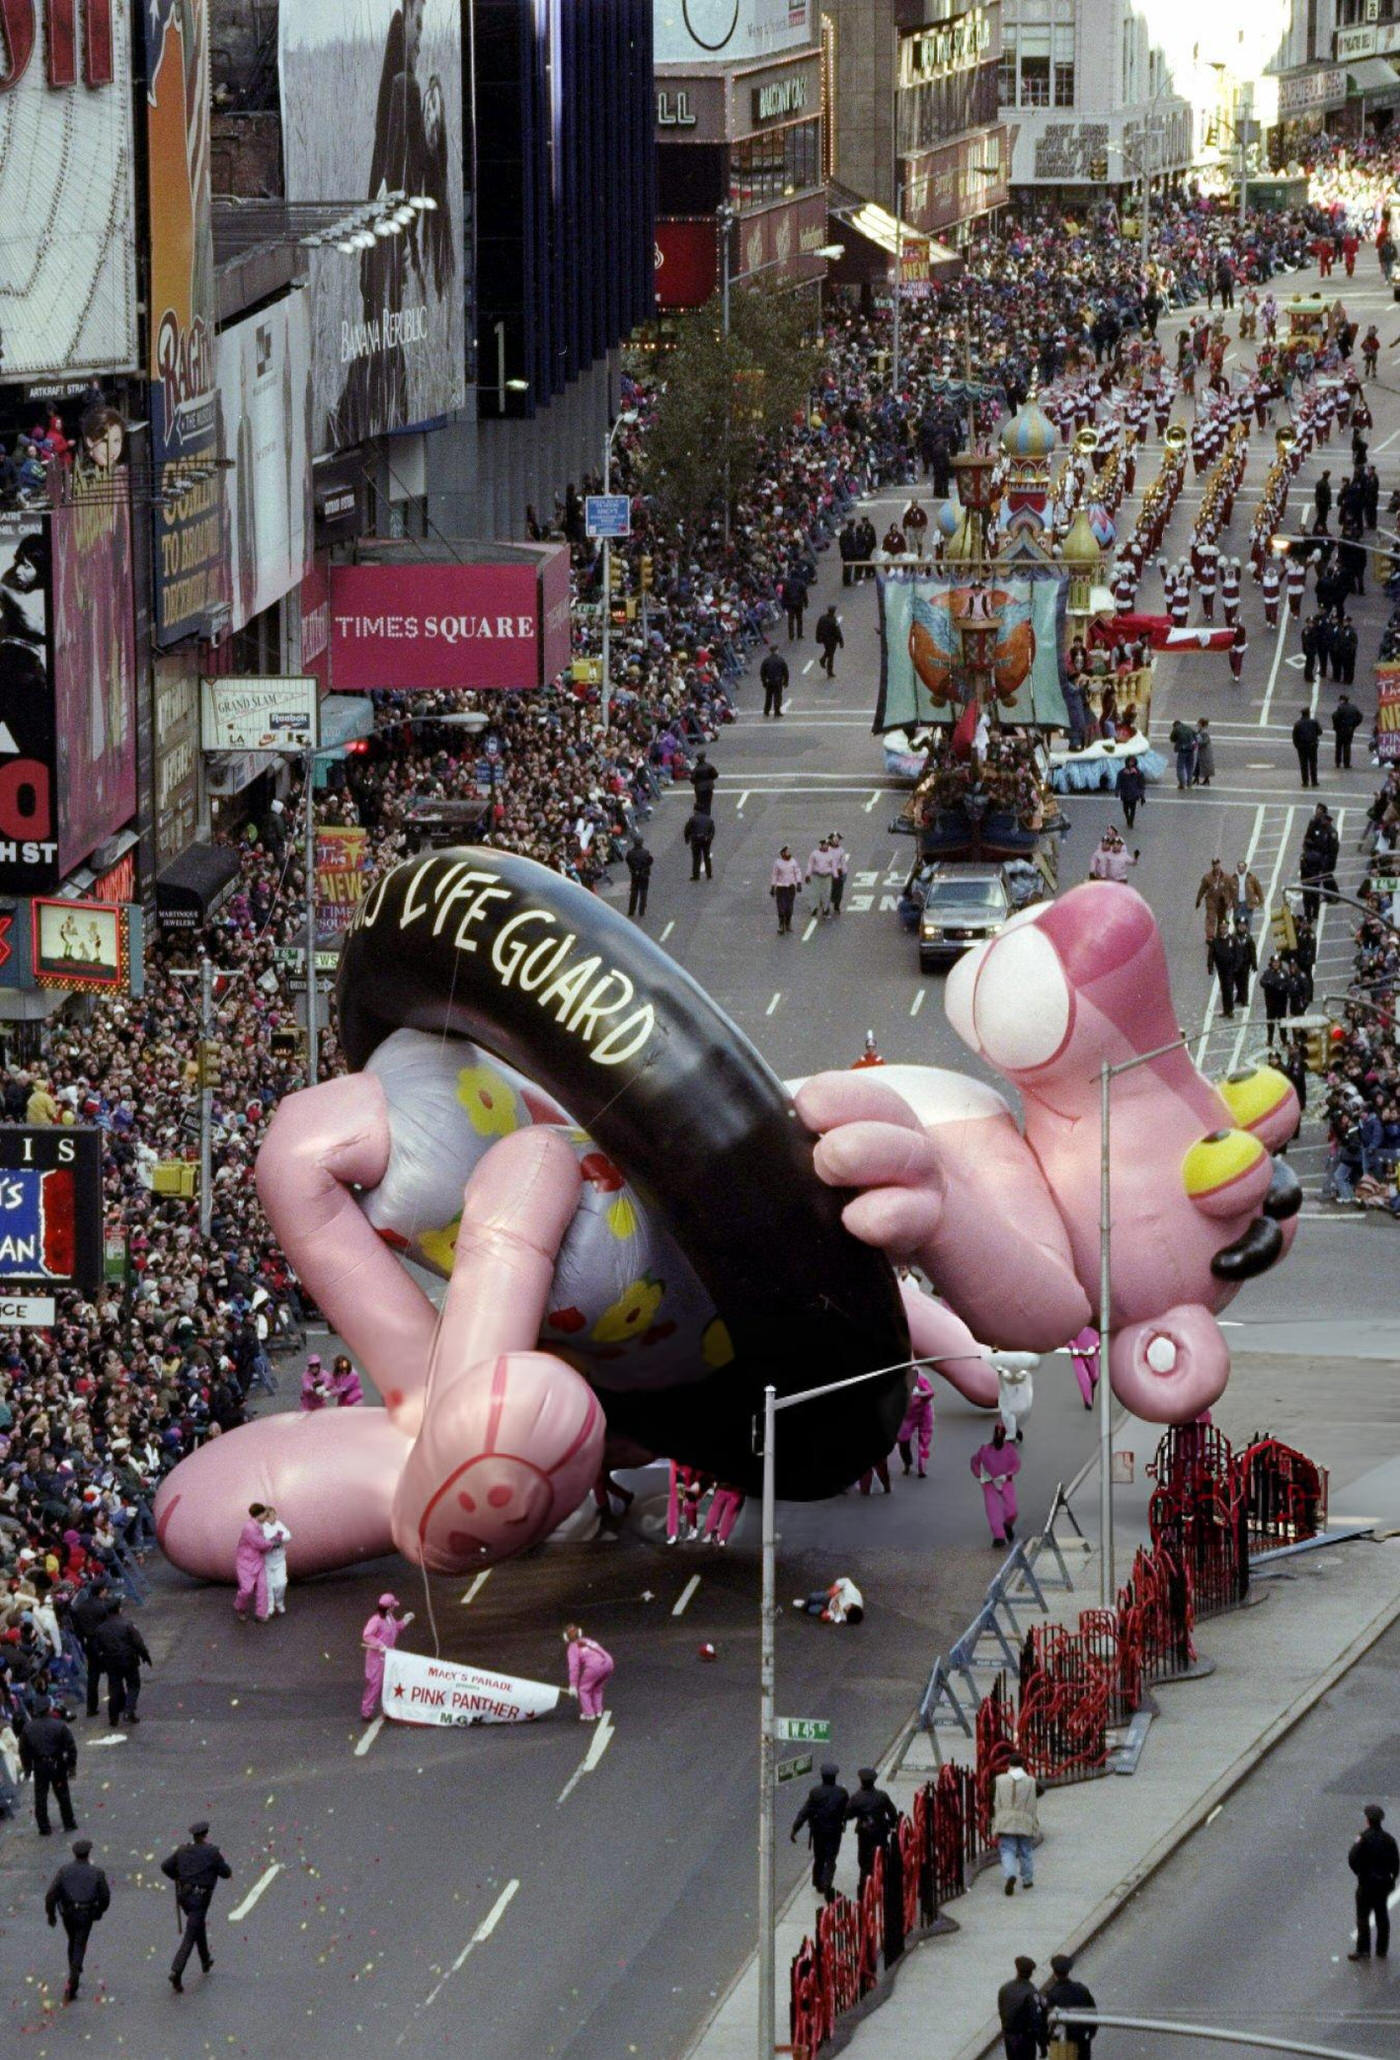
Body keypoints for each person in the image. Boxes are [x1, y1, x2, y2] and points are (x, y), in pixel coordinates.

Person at [162, 1821, 232, 1992]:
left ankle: (205, 1960)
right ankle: (176, 1970)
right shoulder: (212, 1852)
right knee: (190, 1934)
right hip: (200, 1898)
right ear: (206, 1834)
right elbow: (226, 1873)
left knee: (197, 1924)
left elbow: (166, 1866)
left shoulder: (182, 1851)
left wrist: (177, 1877)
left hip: (185, 1898)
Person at [45, 1836, 110, 2002]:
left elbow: (51, 1894)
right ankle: (74, 1975)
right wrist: (98, 1911)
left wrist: (51, 1914)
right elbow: (105, 1897)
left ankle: (74, 1968)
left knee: (72, 1939)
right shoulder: (97, 1872)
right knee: (79, 1942)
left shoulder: (64, 1871)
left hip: (68, 1913)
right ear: (88, 1854)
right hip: (86, 1913)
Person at [19, 1694, 78, 1835]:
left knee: (40, 1797)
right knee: (63, 1794)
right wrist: (71, 1766)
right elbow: (71, 1747)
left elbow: (23, 1751)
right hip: (57, 1764)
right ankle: (69, 1822)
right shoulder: (59, 1725)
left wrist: (28, 1769)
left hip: (40, 1766)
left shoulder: (28, 1728)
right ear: (49, 1709)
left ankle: (44, 1827)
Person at [791, 1762, 848, 1903]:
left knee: (819, 1857)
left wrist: (795, 1829)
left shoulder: (815, 1793)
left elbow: (804, 1812)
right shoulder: (842, 1793)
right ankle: (827, 1881)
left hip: (818, 1831)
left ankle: (818, 1883)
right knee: (831, 1859)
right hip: (834, 1831)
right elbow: (848, 1811)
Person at [89, 1596, 152, 1726]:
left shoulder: (100, 1629)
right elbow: (138, 1643)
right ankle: (129, 1710)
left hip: (111, 1663)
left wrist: (103, 1661)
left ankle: (113, 1718)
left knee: (114, 1689)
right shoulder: (127, 1625)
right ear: (119, 1609)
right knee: (133, 1685)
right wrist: (145, 1656)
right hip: (129, 1660)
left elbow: (97, 1648)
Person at [1347, 1802, 1399, 1959]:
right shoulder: (1389, 1839)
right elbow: (1396, 1862)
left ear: (1368, 1820)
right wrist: (1392, 1879)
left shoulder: (1363, 1838)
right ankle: (1381, 1949)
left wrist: (1360, 1873)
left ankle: (1363, 1949)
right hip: (1383, 1883)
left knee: (1363, 1916)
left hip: (1367, 1883)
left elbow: (1352, 1858)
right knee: (1381, 1915)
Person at [992, 1754, 1042, 1893]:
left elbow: (991, 1795)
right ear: (1023, 1766)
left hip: (1005, 1820)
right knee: (1025, 1851)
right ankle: (1027, 1880)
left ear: (1009, 1765)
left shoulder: (999, 1780)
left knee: (1007, 1850)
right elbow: (1040, 1791)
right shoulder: (1031, 1781)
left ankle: (1010, 1874)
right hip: (1024, 1821)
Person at [361, 1593, 414, 1721]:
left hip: (390, 1655)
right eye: (393, 1606)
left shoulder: (390, 1618)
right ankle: (366, 1711)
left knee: (389, 1683)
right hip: (377, 1658)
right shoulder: (376, 1620)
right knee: (375, 1684)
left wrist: (405, 1621)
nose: (394, 1608)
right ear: (389, 1607)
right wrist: (380, 1645)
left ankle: (388, 1709)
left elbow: (395, 1629)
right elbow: (367, 1635)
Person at [846, 1767, 899, 1885]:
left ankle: (864, 1888)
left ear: (861, 1781)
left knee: (864, 1861)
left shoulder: (856, 1798)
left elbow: (848, 1815)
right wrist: (890, 1823)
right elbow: (893, 1814)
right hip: (880, 1831)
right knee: (882, 1855)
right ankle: (883, 1880)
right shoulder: (882, 1796)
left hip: (864, 1833)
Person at [970, 1422, 1021, 1547]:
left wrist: (1008, 1474)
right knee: (993, 1509)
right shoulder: (985, 1449)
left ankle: (1007, 1525)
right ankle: (999, 1536)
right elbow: (974, 1462)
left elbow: (1016, 1464)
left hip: (1004, 1481)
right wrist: (980, 1475)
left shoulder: (1009, 1449)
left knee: (1012, 1510)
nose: (998, 1438)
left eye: (1000, 1435)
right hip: (990, 1483)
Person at [1042, 1952, 1097, 2057]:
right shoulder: (1082, 1989)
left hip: (1063, 2044)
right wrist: (1089, 2034)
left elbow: (1047, 2022)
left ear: (1054, 1972)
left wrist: (1048, 2040)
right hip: (1082, 2040)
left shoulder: (1052, 1994)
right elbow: (1093, 2013)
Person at [70, 1578, 110, 1721]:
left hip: (89, 1644)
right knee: (113, 1674)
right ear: (101, 1591)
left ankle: (91, 1708)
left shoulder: (81, 1608)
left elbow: (77, 1630)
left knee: (93, 1676)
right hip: (102, 1643)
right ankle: (117, 1703)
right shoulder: (103, 1606)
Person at [998, 1955, 1048, 2060]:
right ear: (1030, 1973)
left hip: (1009, 2037)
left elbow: (1002, 2012)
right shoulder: (1031, 1992)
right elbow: (1036, 2020)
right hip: (1026, 2038)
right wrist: (1042, 2044)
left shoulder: (1005, 1988)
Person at [563, 1623, 614, 1722]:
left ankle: (589, 1713)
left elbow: (574, 1668)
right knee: (597, 1687)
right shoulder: (588, 1640)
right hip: (608, 1661)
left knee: (583, 1689)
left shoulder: (572, 1648)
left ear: (566, 1638)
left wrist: (573, 1685)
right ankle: (598, 1710)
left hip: (595, 1666)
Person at [234, 1502, 275, 1623]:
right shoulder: (250, 1528)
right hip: (245, 1562)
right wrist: (272, 1543)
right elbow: (259, 1543)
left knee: (262, 1587)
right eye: (265, 1514)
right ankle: (240, 1607)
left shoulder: (258, 1525)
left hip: (258, 1560)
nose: (265, 1517)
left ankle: (261, 1613)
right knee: (247, 1589)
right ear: (259, 1514)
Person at [897, 1368, 934, 1477]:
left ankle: (922, 1467)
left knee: (924, 1440)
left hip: (924, 1413)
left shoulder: (921, 1379)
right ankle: (907, 1463)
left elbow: (931, 1392)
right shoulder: (898, 1383)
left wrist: (923, 1394)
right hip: (908, 1415)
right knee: (903, 1440)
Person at [794, 1576, 864, 1624]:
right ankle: (804, 1605)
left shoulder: (846, 1617)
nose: (844, 1609)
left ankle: (808, 1606)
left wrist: (828, 1616)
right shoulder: (852, 1594)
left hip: (829, 1608)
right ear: (853, 1604)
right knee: (813, 1597)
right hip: (832, 1596)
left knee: (811, 1610)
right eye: (847, 1608)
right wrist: (836, 1587)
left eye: (845, 1612)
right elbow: (846, 1581)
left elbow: (835, 1615)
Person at [261, 1506, 292, 1616]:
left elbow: (288, 1535)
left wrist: (279, 1539)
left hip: (279, 1560)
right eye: (272, 1515)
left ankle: (279, 1602)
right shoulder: (261, 1527)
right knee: (268, 1585)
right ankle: (270, 1606)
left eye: (275, 1514)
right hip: (267, 1562)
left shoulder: (279, 1524)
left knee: (281, 1583)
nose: (275, 1517)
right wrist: (269, 1542)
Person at [771, 845, 802, 933]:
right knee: (781, 907)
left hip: (791, 887)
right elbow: (775, 875)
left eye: (789, 852)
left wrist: (799, 883)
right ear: (782, 853)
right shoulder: (778, 863)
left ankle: (788, 924)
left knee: (789, 907)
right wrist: (773, 886)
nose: (789, 854)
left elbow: (797, 872)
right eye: (787, 852)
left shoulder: (793, 862)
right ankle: (781, 925)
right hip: (781, 888)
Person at [1293, 707, 1323, 788]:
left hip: (1302, 746)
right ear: (1309, 713)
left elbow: (1294, 736)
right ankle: (1314, 781)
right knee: (1313, 764)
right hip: (1312, 745)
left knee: (1303, 764)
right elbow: (1320, 732)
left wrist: (1297, 745)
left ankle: (1305, 782)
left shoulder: (1298, 723)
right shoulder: (1314, 722)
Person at [684, 806, 715, 881]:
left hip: (696, 840)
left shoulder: (692, 819)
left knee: (696, 858)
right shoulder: (709, 819)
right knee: (706, 857)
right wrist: (709, 838)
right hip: (706, 840)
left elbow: (687, 829)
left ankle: (696, 876)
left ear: (696, 811)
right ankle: (709, 874)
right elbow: (712, 831)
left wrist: (687, 839)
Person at [625, 835, 653, 919]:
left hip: (634, 875)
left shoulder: (630, 853)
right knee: (643, 892)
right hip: (644, 875)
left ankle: (631, 910)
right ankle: (641, 910)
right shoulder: (646, 852)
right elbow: (650, 861)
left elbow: (628, 860)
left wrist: (633, 868)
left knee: (634, 892)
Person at [807, 837, 835, 919]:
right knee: (815, 893)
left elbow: (833, 866)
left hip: (827, 876)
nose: (826, 846)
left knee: (826, 894)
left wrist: (834, 874)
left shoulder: (830, 854)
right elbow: (810, 865)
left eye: (827, 845)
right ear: (821, 845)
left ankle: (825, 910)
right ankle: (813, 909)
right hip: (816, 876)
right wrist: (808, 875)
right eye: (824, 845)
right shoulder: (814, 854)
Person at [1333, 694, 1363, 769]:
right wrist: (1354, 725)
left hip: (1340, 730)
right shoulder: (1354, 707)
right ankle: (1347, 763)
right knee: (1347, 746)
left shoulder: (1340, 708)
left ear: (1342, 700)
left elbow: (1335, 717)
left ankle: (1338, 762)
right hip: (1349, 729)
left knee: (1338, 747)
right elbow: (1360, 717)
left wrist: (1336, 726)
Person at [1115, 755, 1145, 828]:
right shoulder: (1122, 772)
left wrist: (1142, 795)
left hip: (1134, 794)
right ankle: (1128, 818)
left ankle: (1131, 821)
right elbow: (1118, 782)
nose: (1131, 763)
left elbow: (1141, 785)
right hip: (1125, 793)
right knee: (1125, 809)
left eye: (1132, 762)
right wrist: (1117, 790)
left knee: (1133, 809)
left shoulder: (1138, 773)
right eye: (1130, 761)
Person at [815, 605, 844, 678]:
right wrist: (841, 641)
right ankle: (829, 671)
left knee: (828, 651)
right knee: (831, 655)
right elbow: (837, 631)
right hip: (832, 640)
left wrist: (818, 638)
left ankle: (823, 659)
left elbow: (818, 628)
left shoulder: (822, 618)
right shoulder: (834, 620)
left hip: (824, 639)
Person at [760, 645, 789, 718]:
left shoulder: (766, 660)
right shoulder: (780, 660)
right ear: (776, 650)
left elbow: (762, 672)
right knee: (778, 696)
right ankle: (777, 711)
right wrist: (786, 681)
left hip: (769, 681)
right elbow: (785, 671)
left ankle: (766, 711)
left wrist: (764, 681)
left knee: (768, 696)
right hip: (778, 680)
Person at [781, 568, 808, 641]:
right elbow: (804, 594)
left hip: (790, 604)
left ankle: (791, 635)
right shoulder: (800, 582)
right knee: (799, 619)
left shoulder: (787, 583)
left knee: (791, 620)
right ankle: (799, 634)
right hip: (799, 603)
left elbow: (784, 595)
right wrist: (806, 603)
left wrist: (784, 606)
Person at [828, 832, 849, 914]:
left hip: (838, 872)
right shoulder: (828, 850)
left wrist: (845, 873)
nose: (836, 841)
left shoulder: (841, 850)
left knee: (839, 890)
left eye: (838, 840)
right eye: (835, 839)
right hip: (829, 873)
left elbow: (843, 863)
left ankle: (837, 906)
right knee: (828, 890)